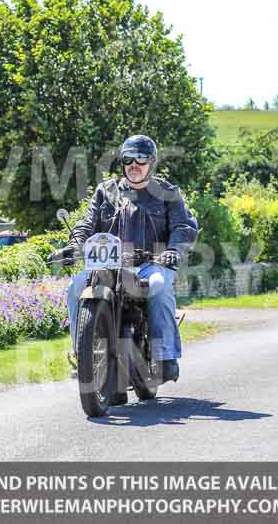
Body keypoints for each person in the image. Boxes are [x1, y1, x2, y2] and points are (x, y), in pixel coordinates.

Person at [51, 135, 198, 396]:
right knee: (75, 286)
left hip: (150, 264)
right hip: (108, 263)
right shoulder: (105, 191)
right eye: (128, 159)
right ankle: (82, 356)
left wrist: (173, 251)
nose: (134, 164)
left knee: (159, 286)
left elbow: (183, 226)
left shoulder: (167, 193)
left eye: (141, 159)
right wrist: (74, 246)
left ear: (151, 162)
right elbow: (88, 223)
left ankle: (165, 357)